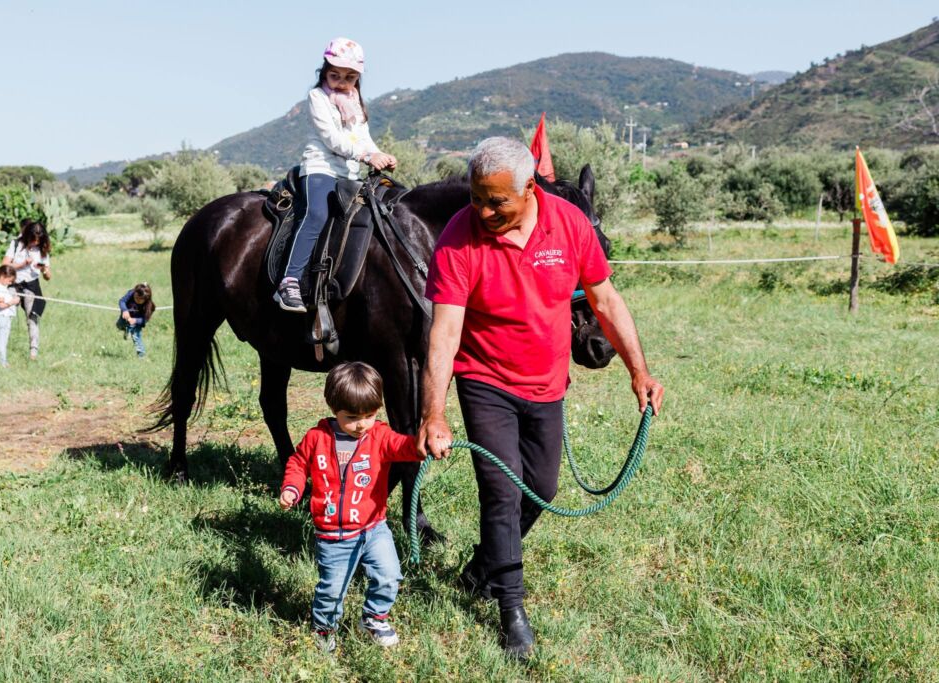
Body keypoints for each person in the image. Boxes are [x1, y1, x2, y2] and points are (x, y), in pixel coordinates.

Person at [417, 137, 665, 660]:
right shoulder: (459, 238)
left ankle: (483, 566)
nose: (483, 211)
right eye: (476, 197)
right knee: (502, 493)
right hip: (485, 382)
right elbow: (444, 332)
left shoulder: (570, 225)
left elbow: (604, 298)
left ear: (529, 189)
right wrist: (434, 413)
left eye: (496, 201)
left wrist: (638, 371)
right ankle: (511, 610)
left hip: (548, 384)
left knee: (542, 490)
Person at [279, 362, 425, 652]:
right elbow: (298, 463)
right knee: (332, 590)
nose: (362, 424)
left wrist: (423, 445)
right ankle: (324, 630)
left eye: (370, 415)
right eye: (353, 417)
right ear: (334, 408)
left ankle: (373, 618)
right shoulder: (316, 439)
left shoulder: (379, 436)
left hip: (374, 527)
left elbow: (402, 446)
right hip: (334, 536)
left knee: (389, 575)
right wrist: (292, 488)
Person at [274, 37, 397, 312]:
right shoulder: (317, 97)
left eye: (349, 77)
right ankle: (290, 280)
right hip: (321, 169)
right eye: (335, 75)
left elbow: (363, 138)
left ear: (358, 79)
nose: (341, 82)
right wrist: (366, 156)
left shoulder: (355, 102)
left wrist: (379, 155)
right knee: (316, 213)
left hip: (349, 174)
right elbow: (331, 138)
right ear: (324, 71)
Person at [1, 220, 52, 360]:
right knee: (7, 315)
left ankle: (33, 352)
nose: (35, 243)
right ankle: (1, 348)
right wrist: (22, 264)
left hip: (31, 286)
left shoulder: (43, 250)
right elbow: (4, 265)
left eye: (38, 241)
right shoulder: (16, 244)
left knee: (32, 319)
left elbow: (48, 277)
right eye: (33, 240)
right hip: (13, 284)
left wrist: (45, 270)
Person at [0, 265, 19, 367]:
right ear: (3, 276)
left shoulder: (2, 286)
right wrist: (13, 302)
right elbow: (1, 305)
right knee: (3, 342)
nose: (10, 283)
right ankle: (3, 364)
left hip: (3, 316)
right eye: (9, 280)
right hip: (2, 316)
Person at [116, 283, 155, 358]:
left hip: (136, 320)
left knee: (136, 336)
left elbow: (145, 320)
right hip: (125, 316)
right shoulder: (131, 292)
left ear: (145, 299)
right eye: (135, 297)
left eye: (139, 299)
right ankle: (126, 329)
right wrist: (124, 310)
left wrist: (136, 320)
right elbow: (122, 301)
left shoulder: (149, 307)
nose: (136, 299)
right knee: (119, 325)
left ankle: (141, 355)